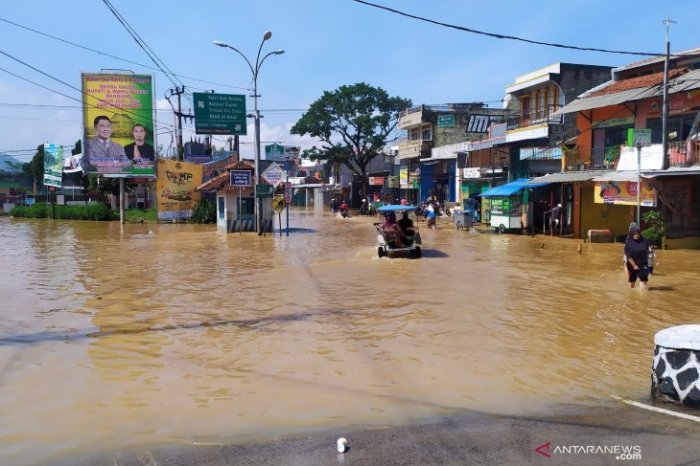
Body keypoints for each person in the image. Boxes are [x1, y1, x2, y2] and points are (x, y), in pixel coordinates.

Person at [624, 222, 651, 290]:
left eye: (638, 234)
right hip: (632, 263)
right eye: (635, 234)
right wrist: (634, 265)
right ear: (631, 234)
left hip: (643, 263)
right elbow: (628, 255)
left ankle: (643, 294)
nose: (636, 235)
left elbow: (649, 250)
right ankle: (631, 292)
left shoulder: (645, 241)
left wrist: (652, 259)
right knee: (632, 279)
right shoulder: (628, 243)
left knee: (644, 278)